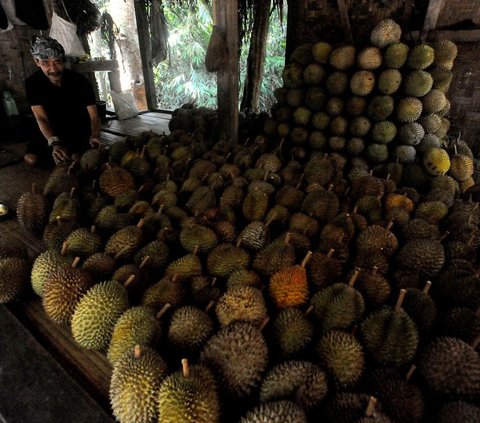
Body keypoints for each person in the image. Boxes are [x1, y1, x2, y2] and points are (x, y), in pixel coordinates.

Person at [25, 35, 102, 166]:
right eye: (46, 63)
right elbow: (41, 118)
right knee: (31, 159)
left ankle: (70, 156)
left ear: (63, 61)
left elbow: (94, 116)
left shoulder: (80, 81)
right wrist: (54, 143)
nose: (53, 69)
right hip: (50, 131)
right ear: (37, 62)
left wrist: (95, 134)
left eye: (57, 62)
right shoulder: (33, 83)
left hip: (76, 129)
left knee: (77, 158)